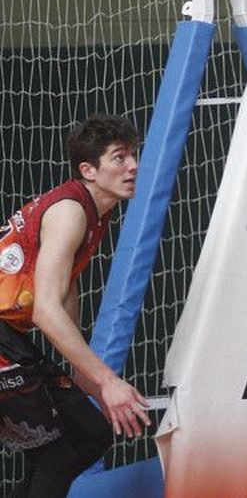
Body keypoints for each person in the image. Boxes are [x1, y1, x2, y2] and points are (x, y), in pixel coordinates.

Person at [0, 114, 150, 498]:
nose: (133, 165)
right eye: (119, 157)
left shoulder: (96, 210)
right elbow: (45, 310)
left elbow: (65, 289)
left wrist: (85, 375)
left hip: (9, 336)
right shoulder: (69, 211)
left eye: (133, 155)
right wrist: (107, 380)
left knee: (86, 433)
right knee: (64, 440)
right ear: (89, 170)